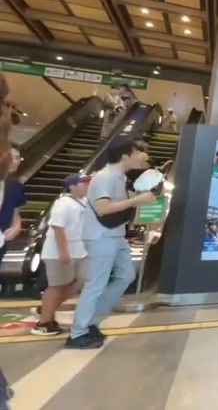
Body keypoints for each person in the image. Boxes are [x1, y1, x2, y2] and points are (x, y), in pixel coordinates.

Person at [66, 140, 154, 349]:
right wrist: (137, 200)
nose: (139, 156)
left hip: (115, 235)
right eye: (136, 152)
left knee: (126, 275)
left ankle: (91, 322)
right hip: (100, 236)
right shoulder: (104, 177)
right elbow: (103, 208)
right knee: (95, 284)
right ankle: (78, 333)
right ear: (125, 155)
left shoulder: (119, 177)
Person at [32, 174, 91, 336]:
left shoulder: (83, 201)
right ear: (72, 186)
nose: (88, 186)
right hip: (58, 252)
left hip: (78, 251)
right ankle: (44, 323)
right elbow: (58, 227)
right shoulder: (63, 203)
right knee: (57, 286)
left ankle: (46, 309)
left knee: (81, 281)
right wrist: (63, 251)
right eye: (84, 183)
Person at [0, 148, 24, 274]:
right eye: (11, 157)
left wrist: (16, 227)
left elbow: (16, 213)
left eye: (17, 158)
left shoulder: (15, 186)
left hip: (2, 239)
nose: (15, 161)